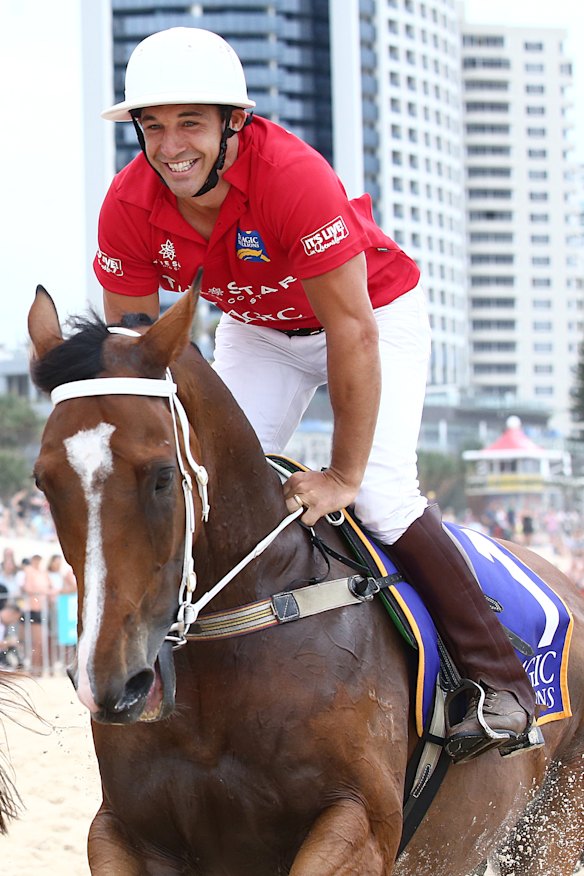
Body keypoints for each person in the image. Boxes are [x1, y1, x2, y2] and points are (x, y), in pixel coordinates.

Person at [95, 27, 536, 761]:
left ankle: (499, 682)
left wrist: (343, 474)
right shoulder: (128, 204)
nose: (170, 145)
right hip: (260, 329)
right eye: (153, 125)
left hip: (370, 315)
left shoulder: (292, 175)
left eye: (191, 123)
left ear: (235, 122)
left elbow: (351, 330)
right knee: (207, 489)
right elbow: (141, 363)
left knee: (383, 496)